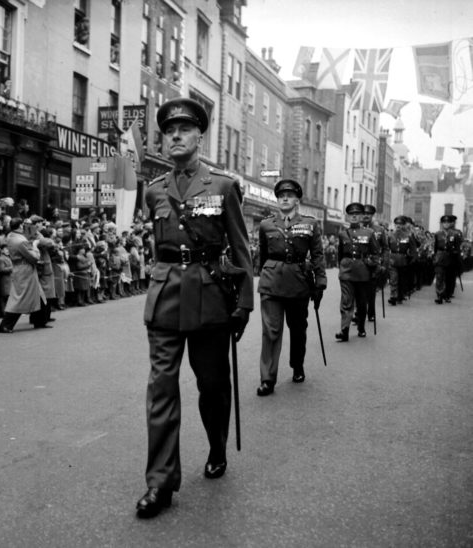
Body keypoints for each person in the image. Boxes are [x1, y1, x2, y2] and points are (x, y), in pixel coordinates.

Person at [136, 97, 253, 518]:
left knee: (212, 387)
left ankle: (217, 444)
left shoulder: (222, 185)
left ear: (199, 136)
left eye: (184, 130)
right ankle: (160, 484)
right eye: (169, 131)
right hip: (165, 298)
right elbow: (158, 248)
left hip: (209, 299)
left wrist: (244, 303)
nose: (175, 137)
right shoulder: (152, 190)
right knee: (161, 392)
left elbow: (239, 246)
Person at [255, 179, 326, 397]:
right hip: (271, 283)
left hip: (298, 283)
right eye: (281, 195)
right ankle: (267, 379)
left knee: (297, 329)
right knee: (271, 331)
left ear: (297, 200)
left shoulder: (310, 224)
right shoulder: (266, 225)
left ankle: (297, 365)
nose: (284, 198)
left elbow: (317, 255)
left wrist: (320, 283)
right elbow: (264, 255)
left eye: (289, 195)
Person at [334, 203, 380, 342]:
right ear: (347, 216)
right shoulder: (342, 234)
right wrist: (341, 267)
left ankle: (361, 327)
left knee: (361, 302)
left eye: (357, 214)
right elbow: (340, 254)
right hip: (347, 272)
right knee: (346, 302)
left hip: (362, 272)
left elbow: (375, 253)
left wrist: (371, 264)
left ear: (361, 216)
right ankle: (344, 330)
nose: (354, 216)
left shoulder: (369, 233)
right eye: (351, 214)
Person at [0, 217, 47, 333]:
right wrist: (35, 245)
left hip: (20, 268)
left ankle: (39, 321)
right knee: (19, 298)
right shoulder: (20, 240)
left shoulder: (11, 236)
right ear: (20, 226)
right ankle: (5, 325)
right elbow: (34, 257)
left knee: (38, 293)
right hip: (25, 270)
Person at [387, 216, 418, 306]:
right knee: (393, 279)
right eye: (397, 224)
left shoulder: (408, 236)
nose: (398, 226)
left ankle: (400, 296)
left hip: (404, 260)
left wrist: (413, 259)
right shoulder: (390, 235)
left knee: (401, 280)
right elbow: (387, 247)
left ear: (404, 225)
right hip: (393, 259)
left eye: (400, 224)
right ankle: (393, 296)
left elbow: (413, 249)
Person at [433, 214, 463, 304]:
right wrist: (435, 257)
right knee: (439, 277)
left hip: (451, 258)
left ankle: (447, 295)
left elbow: (458, 248)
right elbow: (435, 247)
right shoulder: (438, 234)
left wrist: (458, 260)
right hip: (440, 257)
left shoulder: (455, 234)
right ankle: (439, 295)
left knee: (449, 278)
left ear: (451, 224)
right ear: (442, 224)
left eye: (448, 222)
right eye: (444, 222)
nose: (446, 224)